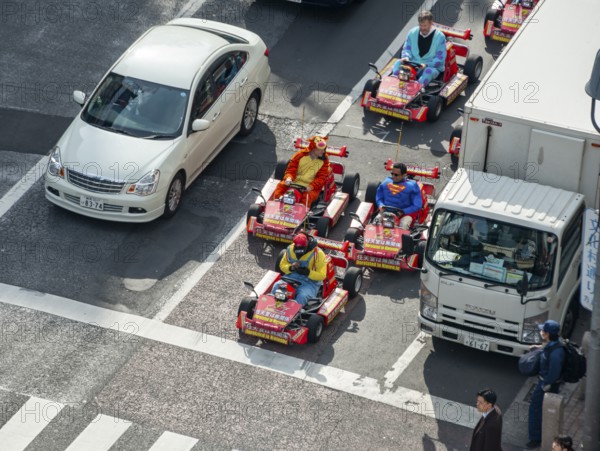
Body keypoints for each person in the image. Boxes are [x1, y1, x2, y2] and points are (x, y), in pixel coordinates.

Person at [526, 320, 566, 449]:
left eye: (543, 330)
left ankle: (535, 438)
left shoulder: (556, 354)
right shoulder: (554, 344)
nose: (541, 332)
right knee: (539, 408)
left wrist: (546, 384)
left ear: (548, 334)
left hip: (547, 384)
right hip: (546, 382)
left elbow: (554, 373)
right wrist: (537, 347)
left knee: (535, 408)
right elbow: (547, 348)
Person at [271, 135, 331, 206]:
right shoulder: (301, 155)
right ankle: (276, 205)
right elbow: (291, 169)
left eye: (324, 149)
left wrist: (311, 187)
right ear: (313, 148)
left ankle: (302, 211)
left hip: (310, 187)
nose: (323, 151)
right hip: (293, 182)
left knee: (307, 197)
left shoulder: (324, 160)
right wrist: (289, 178)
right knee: (280, 186)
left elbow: (321, 178)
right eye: (320, 149)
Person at [392, 10, 447, 87]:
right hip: (413, 64)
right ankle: (394, 84)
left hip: (430, 67)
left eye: (425, 26)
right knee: (397, 63)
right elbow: (406, 48)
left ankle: (418, 88)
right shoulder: (412, 33)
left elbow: (440, 58)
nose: (422, 28)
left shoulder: (440, 37)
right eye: (421, 25)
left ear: (431, 23)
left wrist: (427, 64)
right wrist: (406, 57)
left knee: (428, 72)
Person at [272, 231, 327, 306]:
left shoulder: (318, 254)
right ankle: (271, 307)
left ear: (307, 244)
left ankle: (294, 314)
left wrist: (308, 272)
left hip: (309, 283)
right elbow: (282, 265)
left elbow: (322, 275)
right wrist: (291, 268)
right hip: (290, 277)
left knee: (302, 296)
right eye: (297, 248)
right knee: (276, 286)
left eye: (301, 248)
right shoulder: (290, 249)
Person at [375, 162, 423, 230]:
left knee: (403, 225)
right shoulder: (386, 182)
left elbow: (417, 205)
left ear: (404, 175)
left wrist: (404, 211)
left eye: (396, 175)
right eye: (392, 174)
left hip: (404, 215)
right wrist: (380, 205)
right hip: (385, 211)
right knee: (376, 221)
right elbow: (379, 197)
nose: (393, 176)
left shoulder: (412, 186)